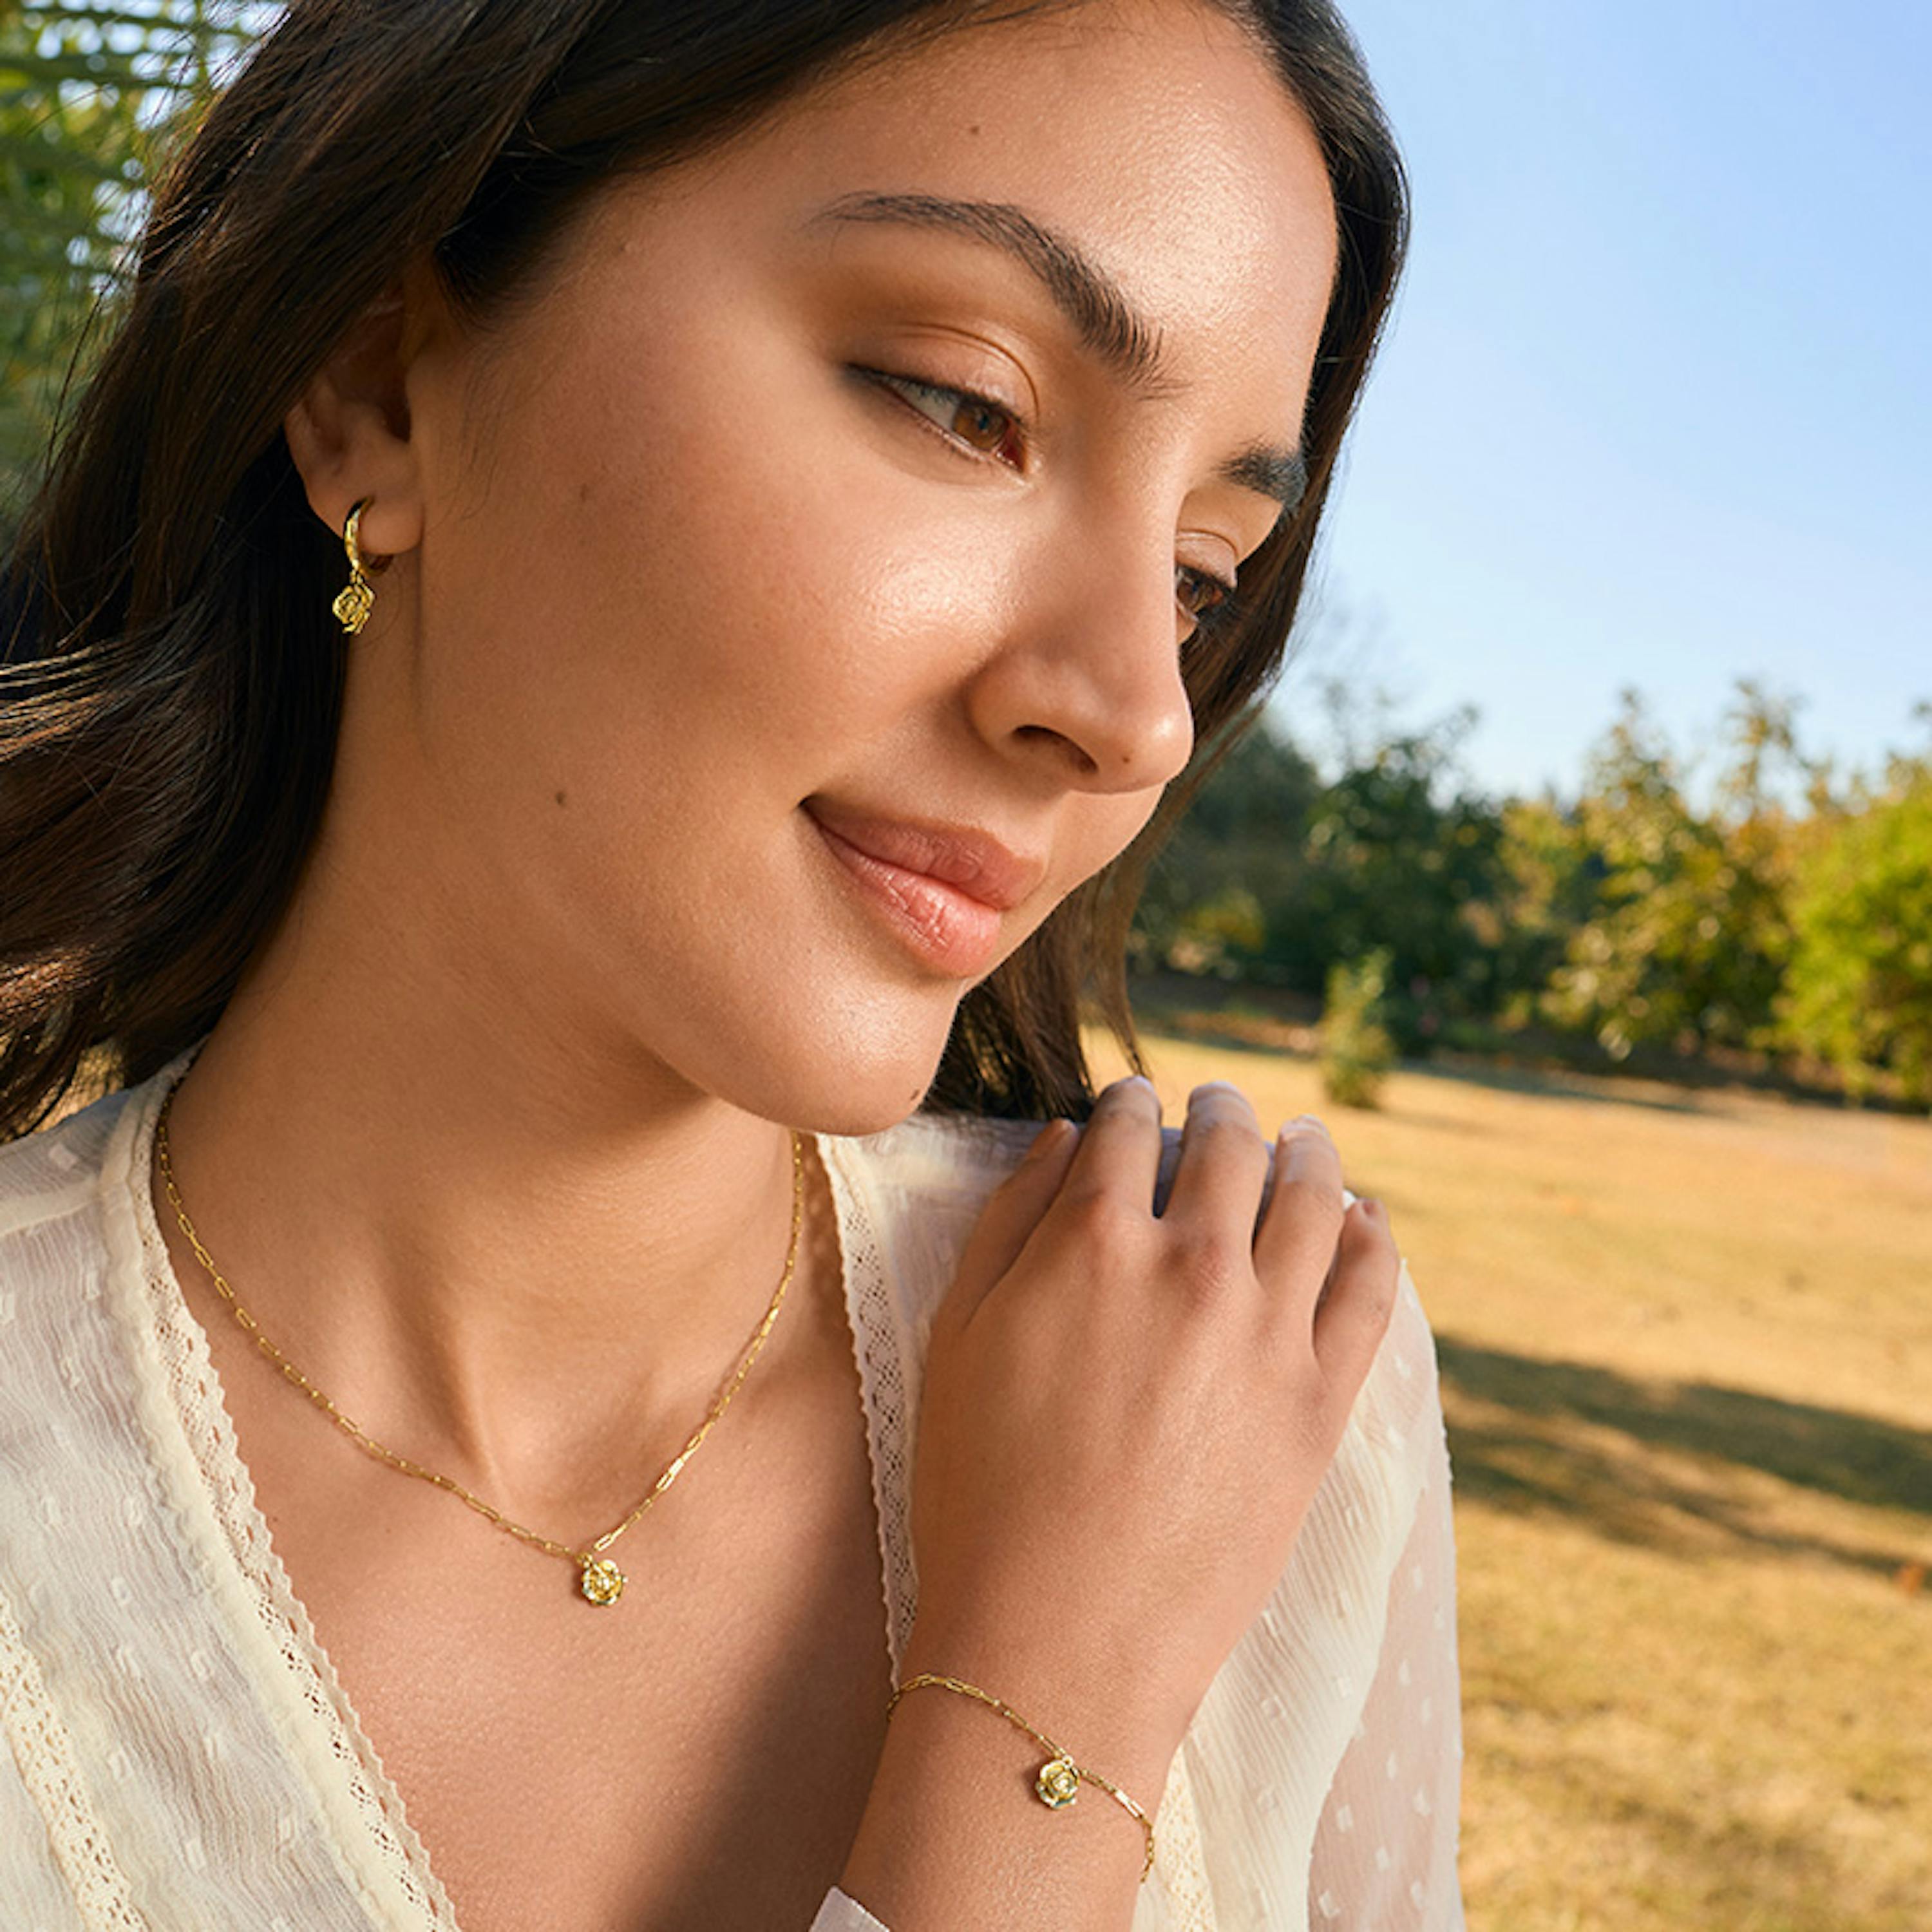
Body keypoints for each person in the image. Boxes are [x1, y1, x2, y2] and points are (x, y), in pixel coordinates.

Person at [0, 0, 1462, 1927]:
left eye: (1202, 576)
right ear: (376, 384)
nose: (1135, 712)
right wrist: (1047, 1729)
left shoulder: (1248, 1383)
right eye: (963, 403)